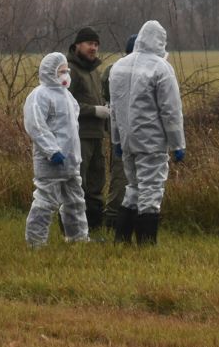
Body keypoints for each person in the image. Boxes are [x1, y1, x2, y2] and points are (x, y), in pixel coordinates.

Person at [108, 19, 185, 245]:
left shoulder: (119, 66)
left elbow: (114, 108)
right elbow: (170, 111)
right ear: (160, 41)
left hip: (127, 140)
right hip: (152, 142)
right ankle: (146, 242)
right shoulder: (161, 68)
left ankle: (121, 238)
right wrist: (178, 144)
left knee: (133, 187)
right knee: (151, 190)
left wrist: (116, 140)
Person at [23, 51, 89, 247]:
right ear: (49, 72)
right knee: (45, 202)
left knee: (75, 202)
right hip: (50, 162)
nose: (65, 75)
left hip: (70, 162)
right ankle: (35, 243)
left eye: (66, 71)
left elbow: (71, 128)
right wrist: (52, 150)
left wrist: (73, 155)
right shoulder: (39, 95)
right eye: (61, 71)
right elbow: (36, 126)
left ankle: (78, 239)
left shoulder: (67, 96)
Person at [64, 27, 115, 232]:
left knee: (97, 180)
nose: (93, 48)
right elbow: (66, 104)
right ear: (78, 45)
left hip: (96, 135)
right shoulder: (70, 70)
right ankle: (72, 225)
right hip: (79, 136)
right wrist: (94, 110)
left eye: (96, 44)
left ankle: (93, 224)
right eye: (89, 44)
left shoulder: (94, 70)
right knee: (79, 181)